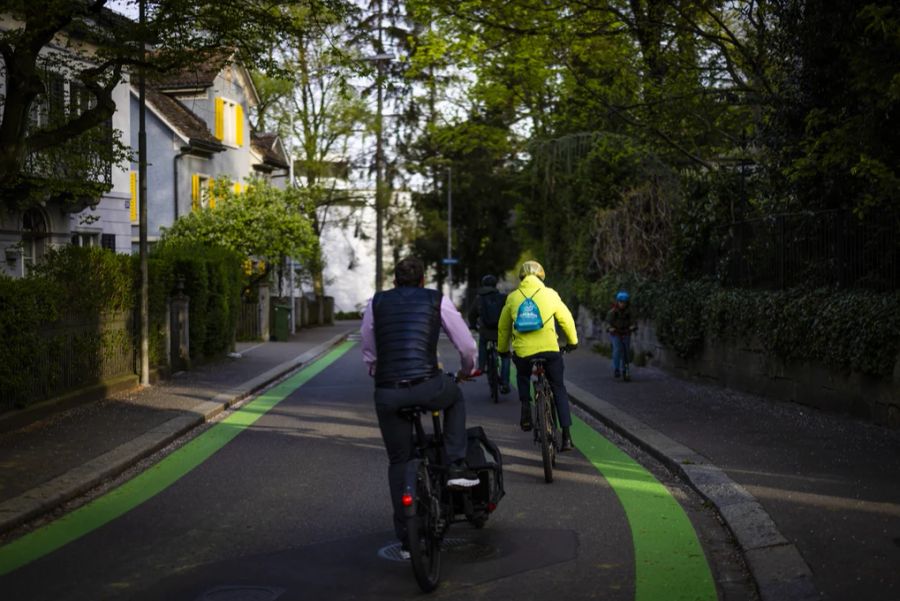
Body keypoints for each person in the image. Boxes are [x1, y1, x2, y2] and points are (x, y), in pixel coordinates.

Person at [360, 256, 480, 557]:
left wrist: (377, 369)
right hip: (428, 384)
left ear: (395, 281)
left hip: (389, 392)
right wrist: (467, 370)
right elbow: (466, 345)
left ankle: (405, 540)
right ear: (423, 279)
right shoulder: (436, 300)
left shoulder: (376, 303)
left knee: (399, 460)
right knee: (454, 397)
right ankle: (455, 464)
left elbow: (369, 346)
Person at [497, 260, 579, 451]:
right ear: (541, 276)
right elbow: (566, 320)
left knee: (523, 375)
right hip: (550, 350)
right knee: (558, 387)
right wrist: (572, 342)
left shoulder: (513, 297)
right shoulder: (551, 294)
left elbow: (503, 327)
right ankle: (566, 436)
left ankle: (526, 407)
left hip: (523, 352)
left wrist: (503, 350)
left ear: (522, 278)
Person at [467, 274, 511, 394]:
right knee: (505, 355)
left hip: (485, 331)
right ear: (495, 285)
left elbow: (471, 315)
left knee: (482, 344)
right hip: (500, 332)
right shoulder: (503, 297)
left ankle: (481, 367)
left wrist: (473, 326)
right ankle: (505, 382)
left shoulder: (479, 298)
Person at [605, 290, 637, 378]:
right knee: (617, 350)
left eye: (624, 302)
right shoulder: (613, 312)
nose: (622, 304)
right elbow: (607, 323)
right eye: (620, 302)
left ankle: (625, 369)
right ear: (618, 302)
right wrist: (610, 328)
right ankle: (616, 369)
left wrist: (633, 326)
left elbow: (634, 321)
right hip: (616, 333)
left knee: (626, 351)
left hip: (626, 332)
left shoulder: (630, 312)